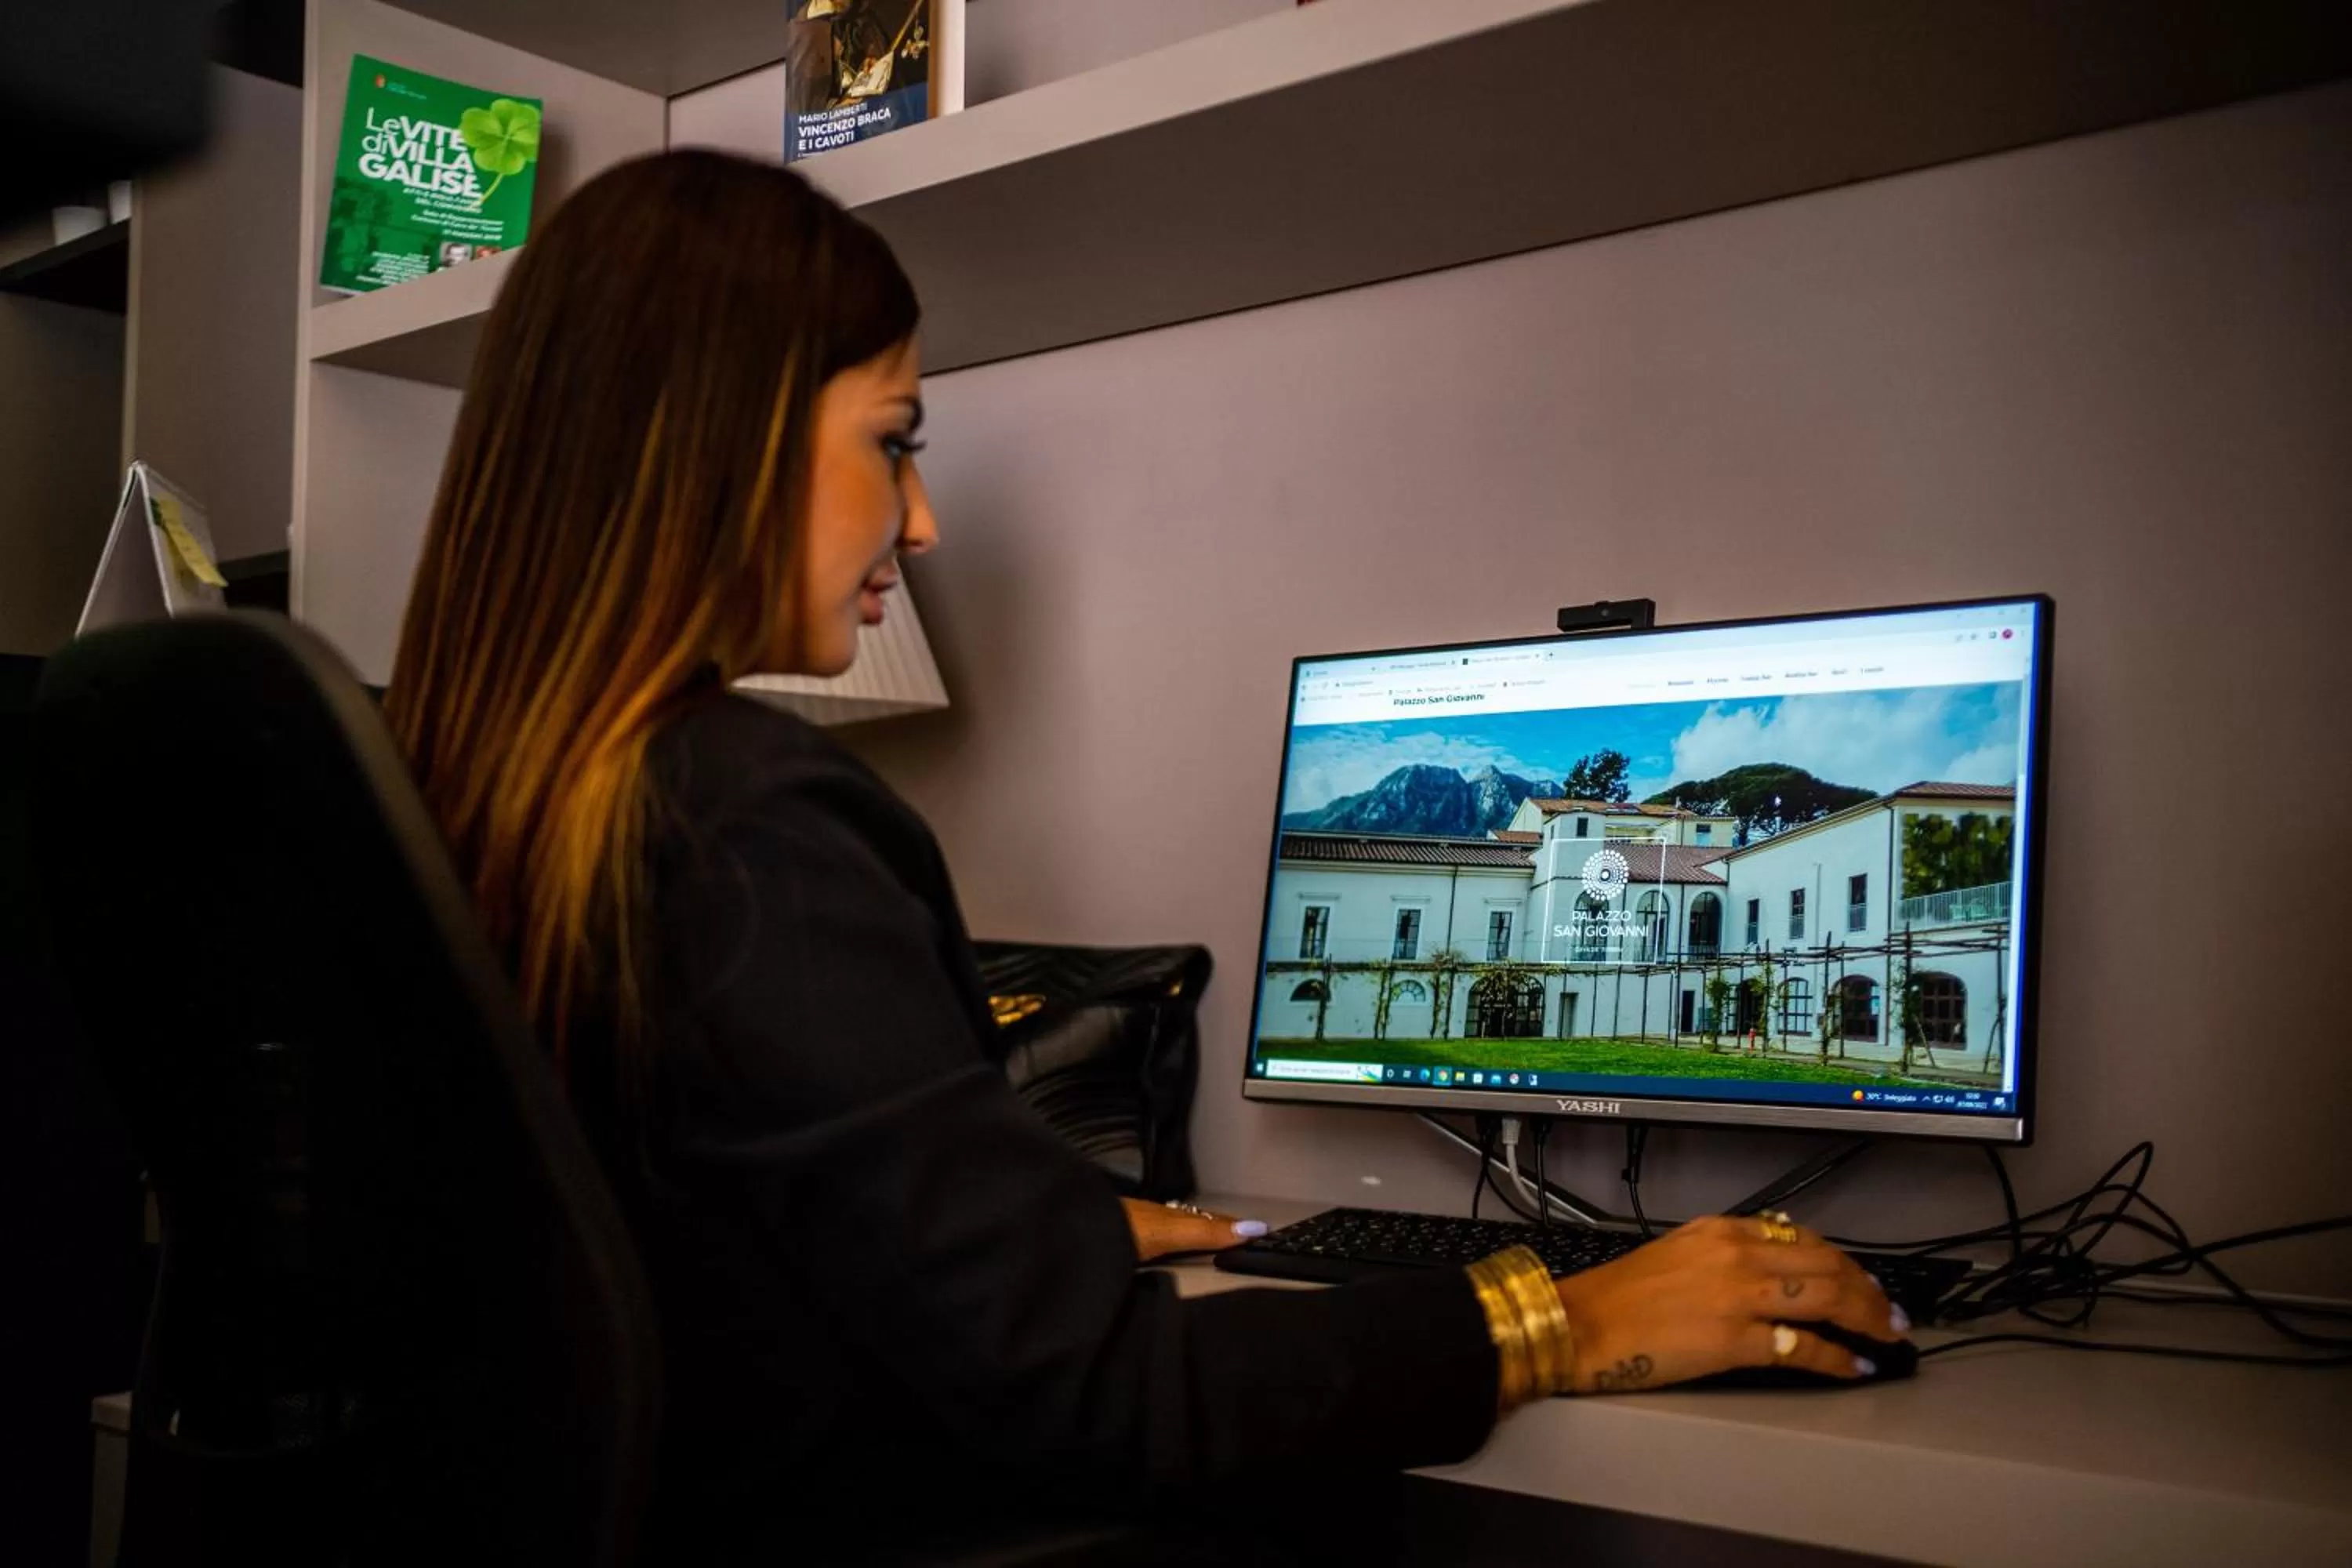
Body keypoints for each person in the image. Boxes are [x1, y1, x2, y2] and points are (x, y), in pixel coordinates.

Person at [382, 151, 1906, 1559]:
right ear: (718, 439)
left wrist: (995, 1232)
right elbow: (1113, 1401)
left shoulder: (489, 800)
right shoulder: (739, 816)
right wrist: (1556, 1317)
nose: (917, 523)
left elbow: (672, 1236)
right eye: (893, 444)